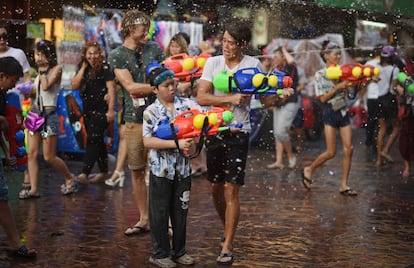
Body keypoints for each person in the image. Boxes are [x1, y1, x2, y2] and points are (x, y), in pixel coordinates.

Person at [197, 21, 291, 265]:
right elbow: (202, 96)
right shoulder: (213, 63)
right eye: (224, 41)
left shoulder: (253, 65)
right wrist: (230, 98)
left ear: (242, 44)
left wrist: (280, 94)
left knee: (231, 189)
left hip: (239, 132)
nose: (225, 46)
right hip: (214, 129)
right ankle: (226, 227)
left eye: (230, 42)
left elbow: (265, 101)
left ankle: (228, 244)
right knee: (215, 188)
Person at [108, 9, 165, 235]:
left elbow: (167, 73)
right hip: (134, 119)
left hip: (160, 117)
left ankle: (164, 220)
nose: (147, 32)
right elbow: (130, 87)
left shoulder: (154, 48)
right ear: (131, 28)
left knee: (162, 170)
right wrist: (158, 87)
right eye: (144, 28)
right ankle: (144, 219)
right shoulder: (117, 54)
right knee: (137, 170)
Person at [143, 65, 197, 268]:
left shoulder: (187, 106)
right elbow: (147, 141)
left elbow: (200, 123)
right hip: (160, 171)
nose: (172, 88)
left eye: (173, 83)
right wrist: (176, 144)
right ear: (155, 89)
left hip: (183, 170)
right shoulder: (151, 111)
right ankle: (159, 253)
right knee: (159, 212)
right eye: (166, 85)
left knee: (180, 212)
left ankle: (179, 251)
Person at [301, 40, 358, 196]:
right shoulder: (320, 74)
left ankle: (344, 185)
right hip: (329, 113)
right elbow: (322, 99)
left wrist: (362, 81)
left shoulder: (344, 71)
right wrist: (337, 87)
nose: (338, 56)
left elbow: (352, 90)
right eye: (335, 54)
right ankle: (309, 168)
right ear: (326, 56)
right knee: (331, 152)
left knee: (349, 149)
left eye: (340, 53)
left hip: (343, 112)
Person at [24, 40, 77, 198]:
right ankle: (34, 189)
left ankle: (69, 177)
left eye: (41, 53)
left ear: (48, 54)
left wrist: (41, 70)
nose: (38, 57)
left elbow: (46, 86)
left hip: (49, 115)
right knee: (32, 154)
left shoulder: (56, 69)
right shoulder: (40, 71)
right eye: (37, 54)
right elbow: (39, 92)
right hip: (35, 114)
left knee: (48, 156)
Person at [0, 56, 37, 258]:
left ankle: (16, 244)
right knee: (1, 199)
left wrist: (7, 153)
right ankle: (15, 244)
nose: (13, 85)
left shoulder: (3, 95)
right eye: (12, 81)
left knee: (2, 198)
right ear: (2, 76)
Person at [71, 42, 116, 184]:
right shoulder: (82, 68)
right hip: (88, 110)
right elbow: (74, 85)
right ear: (85, 55)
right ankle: (103, 171)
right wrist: (83, 68)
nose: (92, 56)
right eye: (89, 53)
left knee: (92, 139)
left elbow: (111, 89)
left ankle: (85, 172)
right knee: (97, 140)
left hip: (101, 110)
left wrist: (110, 110)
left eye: (95, 53)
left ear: (100, 54)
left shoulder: (105, 68)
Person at [0, 23, 33, 200]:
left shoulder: (17, 53)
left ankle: (26, 178)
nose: (2, 40)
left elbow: (26, 79)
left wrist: (27, 103)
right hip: (3, 102)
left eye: (5, 36)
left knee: (18, 138)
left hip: (15, 103)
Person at [264, 45, 299, 169]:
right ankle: (279, 161)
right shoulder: (276, 69)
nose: (274, 59)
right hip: (278, 103)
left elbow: (291, 61)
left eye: (276, 56)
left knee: (281, 131)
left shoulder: (290, 67)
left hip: (290, 102)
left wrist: (284, 50)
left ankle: (291, 156)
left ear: (283, 57)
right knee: (277, 133)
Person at [375, 45, 400, 167]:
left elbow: (374, 80)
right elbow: (394, 87)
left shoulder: (377, 68)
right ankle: (385, 150)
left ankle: (379, 160)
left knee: (382, 129)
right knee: (396, 127)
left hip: (379, 100)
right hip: (390, 100)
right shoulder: (394, 69)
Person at [359, 45, 382, 155]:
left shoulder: (368, 65)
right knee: (380, 121)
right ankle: (375, 142)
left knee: (371, 120)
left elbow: (363, 83)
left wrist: (361, 97)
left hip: (372, 97)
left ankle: (370, 141)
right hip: (382, 96)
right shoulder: (386, 64)